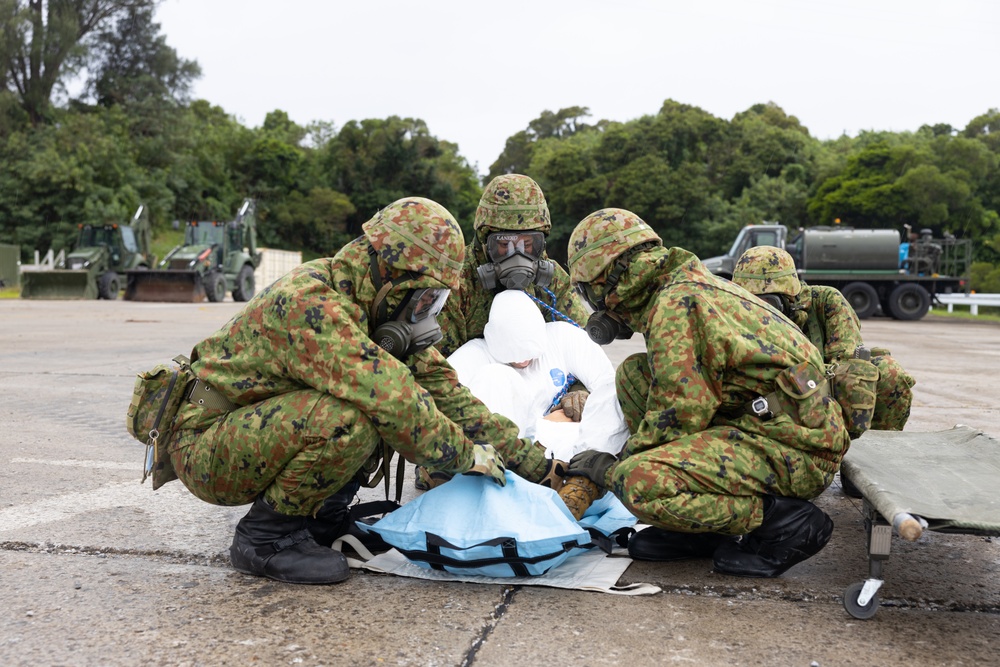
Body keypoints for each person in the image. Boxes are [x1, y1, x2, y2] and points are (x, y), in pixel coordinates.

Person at [167, 197, 564, 586]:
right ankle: (266, 537)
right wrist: (468, 458)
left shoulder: (370, 306)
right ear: (391, 276)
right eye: (426, 299)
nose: (427, 314)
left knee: (391, 397)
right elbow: (398, 405)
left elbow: (449, 396)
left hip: (251, 430)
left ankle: (322, 519)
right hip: (206, 444)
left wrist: (536, 466)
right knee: (352, 418)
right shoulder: (311, 304)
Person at [562, 208, 851, 578]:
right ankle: (698, 530)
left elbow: (676, 417)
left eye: (590, 292)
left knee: (640, 484)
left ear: (612, 278)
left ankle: (784, 523)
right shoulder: (682, 286)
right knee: (635, 375)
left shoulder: (676, 305)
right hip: (774, 424)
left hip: (796, 448)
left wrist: (608, 470)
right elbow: (679, 399)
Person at [732, 245, 915, 431]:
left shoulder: (825, 301)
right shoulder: (731, 315)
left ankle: (871, 447)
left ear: (790, 298)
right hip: (763, 401)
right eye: (749, 302)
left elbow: (847, 364)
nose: (760, 312)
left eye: (768, 303)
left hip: (821, 396)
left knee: (889, 373)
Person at [447, 289, 629, 463]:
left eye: (530, 355)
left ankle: (588, 473)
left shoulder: (562, 336)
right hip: (506, 445)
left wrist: (586, 399)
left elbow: (607, 384)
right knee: (495, 376)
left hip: (562, 439)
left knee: (615, 399)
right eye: (515, 357)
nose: (524, 361)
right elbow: (444, 405)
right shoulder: (473, 356)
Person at [434, 173, 590, 358]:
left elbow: (583, 351)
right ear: (484, 240)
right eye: (504, 245)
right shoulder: (456, 283)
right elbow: (441, 364)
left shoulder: (553, 280)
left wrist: (576, 387)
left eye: (528, 244)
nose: (517, 255)